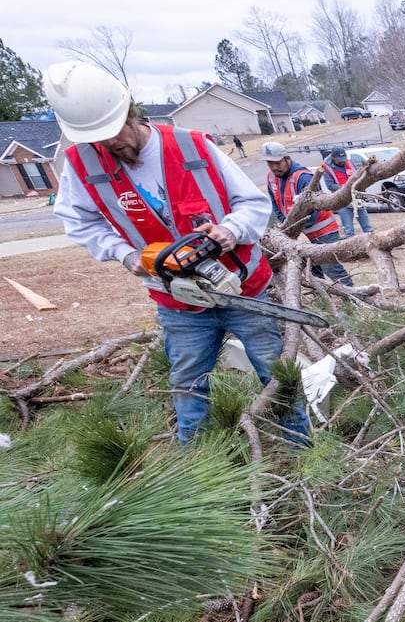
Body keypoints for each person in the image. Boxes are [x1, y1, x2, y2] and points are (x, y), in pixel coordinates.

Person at [45, 61, 311, 446]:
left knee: (275, 373)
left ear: (128, 111)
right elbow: (79, 223)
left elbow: (252, 204)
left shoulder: (189, 145)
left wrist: (229, 230)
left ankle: (300, 450)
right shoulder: (82, 164)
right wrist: (125, 255)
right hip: (177, 302)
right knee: (188, 386)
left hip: (242, 289)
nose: (108, 145)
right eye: (97, 139)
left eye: (113, 133)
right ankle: (199, 467)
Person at [262, 141, 353, 287]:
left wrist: (295, 226)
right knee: (310, 266)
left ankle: (352, 294)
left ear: (287, 159)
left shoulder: (303, 177)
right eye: (270, 163)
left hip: (321, 229)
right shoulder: (271, 177)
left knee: (330, 266)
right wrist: (284, 223)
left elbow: (313, 210)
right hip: (296, 228)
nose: (274, 167)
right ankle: (321, 293)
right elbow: (275, 202)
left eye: (277, 163)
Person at [319, 146, 371, 238]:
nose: (343, 162)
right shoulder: (326, 168)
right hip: (341, 201)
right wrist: (346, 188)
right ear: (333, 157)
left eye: (344, 159)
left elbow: (359, 175)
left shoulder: (349, 163)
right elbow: (330, 185)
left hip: (356, 198)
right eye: (340, 160)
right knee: (349, 229)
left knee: (367, 226)